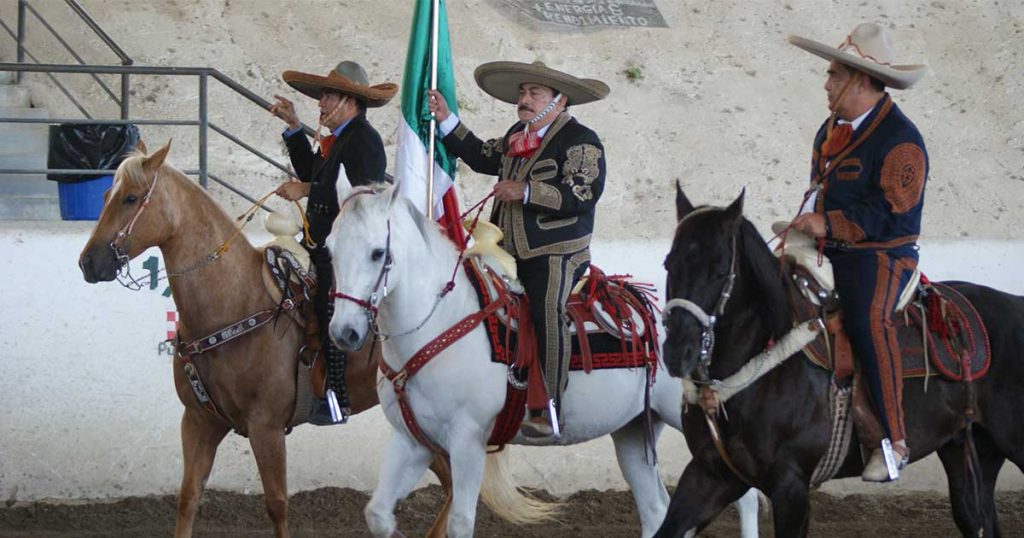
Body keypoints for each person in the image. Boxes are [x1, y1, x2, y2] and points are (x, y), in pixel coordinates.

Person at [428, 61, 609, 438]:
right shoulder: (517, 134)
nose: (524, 100)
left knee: (548, 310)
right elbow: (482, 156)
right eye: (523, 92)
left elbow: (582, 193)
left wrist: (526, 191)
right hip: (506, 246)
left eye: (534, 94)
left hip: (557, 250)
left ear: (558, 102)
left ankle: (550, 408)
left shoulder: (582, 140)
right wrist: (445, 119)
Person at [788, 23, 929, 481]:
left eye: (833, 75)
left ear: (860, 82)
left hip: (883, 254)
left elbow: (894, 210)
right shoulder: (828, 131)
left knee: (870, 321)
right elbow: (821, 191)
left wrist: (829, 223)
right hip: (829, 248)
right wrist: (805, 220)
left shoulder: (901, 141)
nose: (826, 84)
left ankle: (892, 441)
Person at [269, 61, 397, 424]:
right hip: (321, 240)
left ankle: (337, 395)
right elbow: (311, 171)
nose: (321, 103)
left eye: (328, 96)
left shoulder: (365, 140)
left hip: (344, 249)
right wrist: (294, 128)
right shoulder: (340, 138)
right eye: (322, 96)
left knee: (329, 303)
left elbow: (362, 194)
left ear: (350, 101)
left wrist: (306, 189)